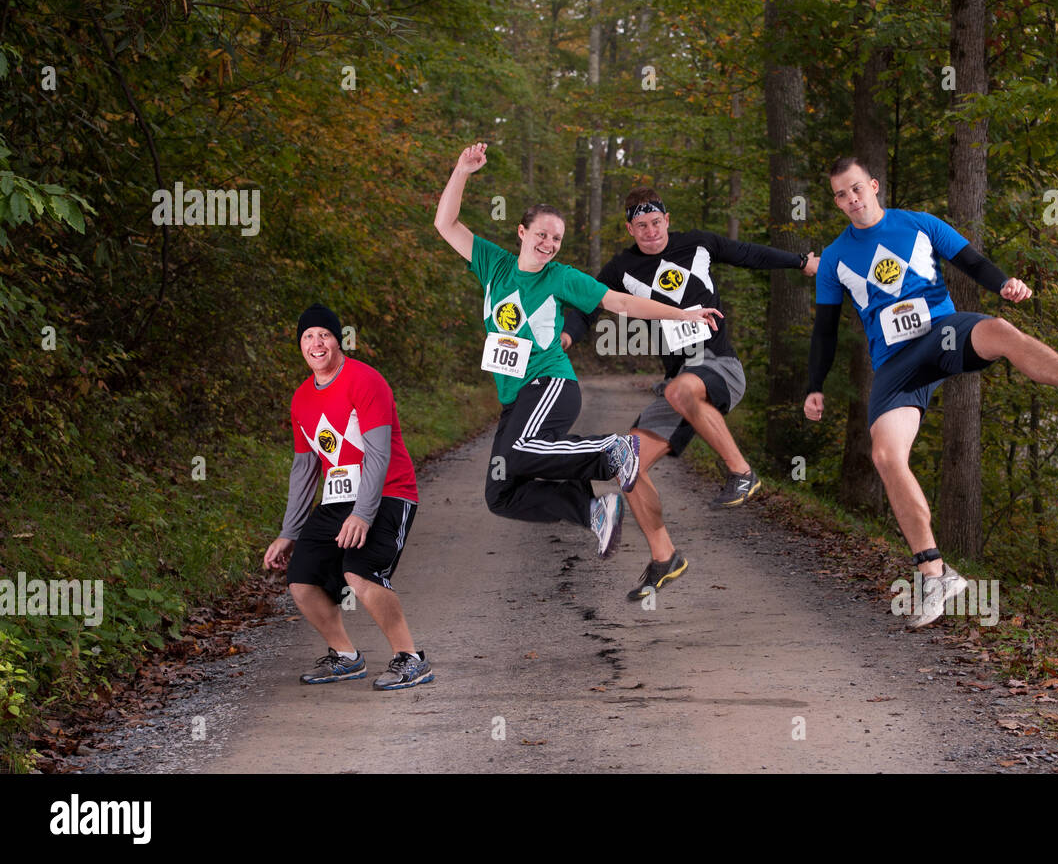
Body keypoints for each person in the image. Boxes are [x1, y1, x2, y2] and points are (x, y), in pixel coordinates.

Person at [805, 157, 1058, 627]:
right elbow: (824, 331)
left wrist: (1005, 284)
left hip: (941, 334)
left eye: (856, 189)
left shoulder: (919, 225)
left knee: (998, 330)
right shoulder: (834, 257)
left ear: (873, 186)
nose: (851, 200)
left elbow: (970, 261)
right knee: (886, 457)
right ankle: (934, 573)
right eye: (840, 195)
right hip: (895, 364)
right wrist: (814, 386)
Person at [434, 143, 722, 560]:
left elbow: (622, 303)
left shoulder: (561, 277)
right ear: (522, 232)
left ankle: (613, 450)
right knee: (501, 492)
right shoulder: (493, 265)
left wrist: (682, 313)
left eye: (556, 238)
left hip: (549, 383)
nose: (549, 243)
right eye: (541, 234)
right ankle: (593, 509)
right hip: (514, 397)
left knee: (519, 452)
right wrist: (461, 169)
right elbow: (446, 223)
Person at [561, 186, 819, 601]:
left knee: (682, 388)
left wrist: (802, 261)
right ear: (630, 227)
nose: (650, 232)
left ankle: (742, 473)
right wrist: (568, 337)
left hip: (718, 366)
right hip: (678, 383)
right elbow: (587, 305)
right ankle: (665, 556)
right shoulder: (621, 267)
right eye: (641, 226)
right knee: (624, 462)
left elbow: (750, 254)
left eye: (656, 223)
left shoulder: (698, 243)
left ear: (668, 220)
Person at [262, 304, 434, 690]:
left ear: (338, 341)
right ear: (300, 346)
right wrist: (288, 532)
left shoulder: (364, 380)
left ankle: (409, 658)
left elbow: (378, 454)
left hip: (389, 492)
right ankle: (345, 657)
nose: (316, 343)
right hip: (338, 500)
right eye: (308, 336)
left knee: (360, 571)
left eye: (324, 334)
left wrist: (364, 513)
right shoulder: (301, 399)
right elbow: (305, 469)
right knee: (301, 579)